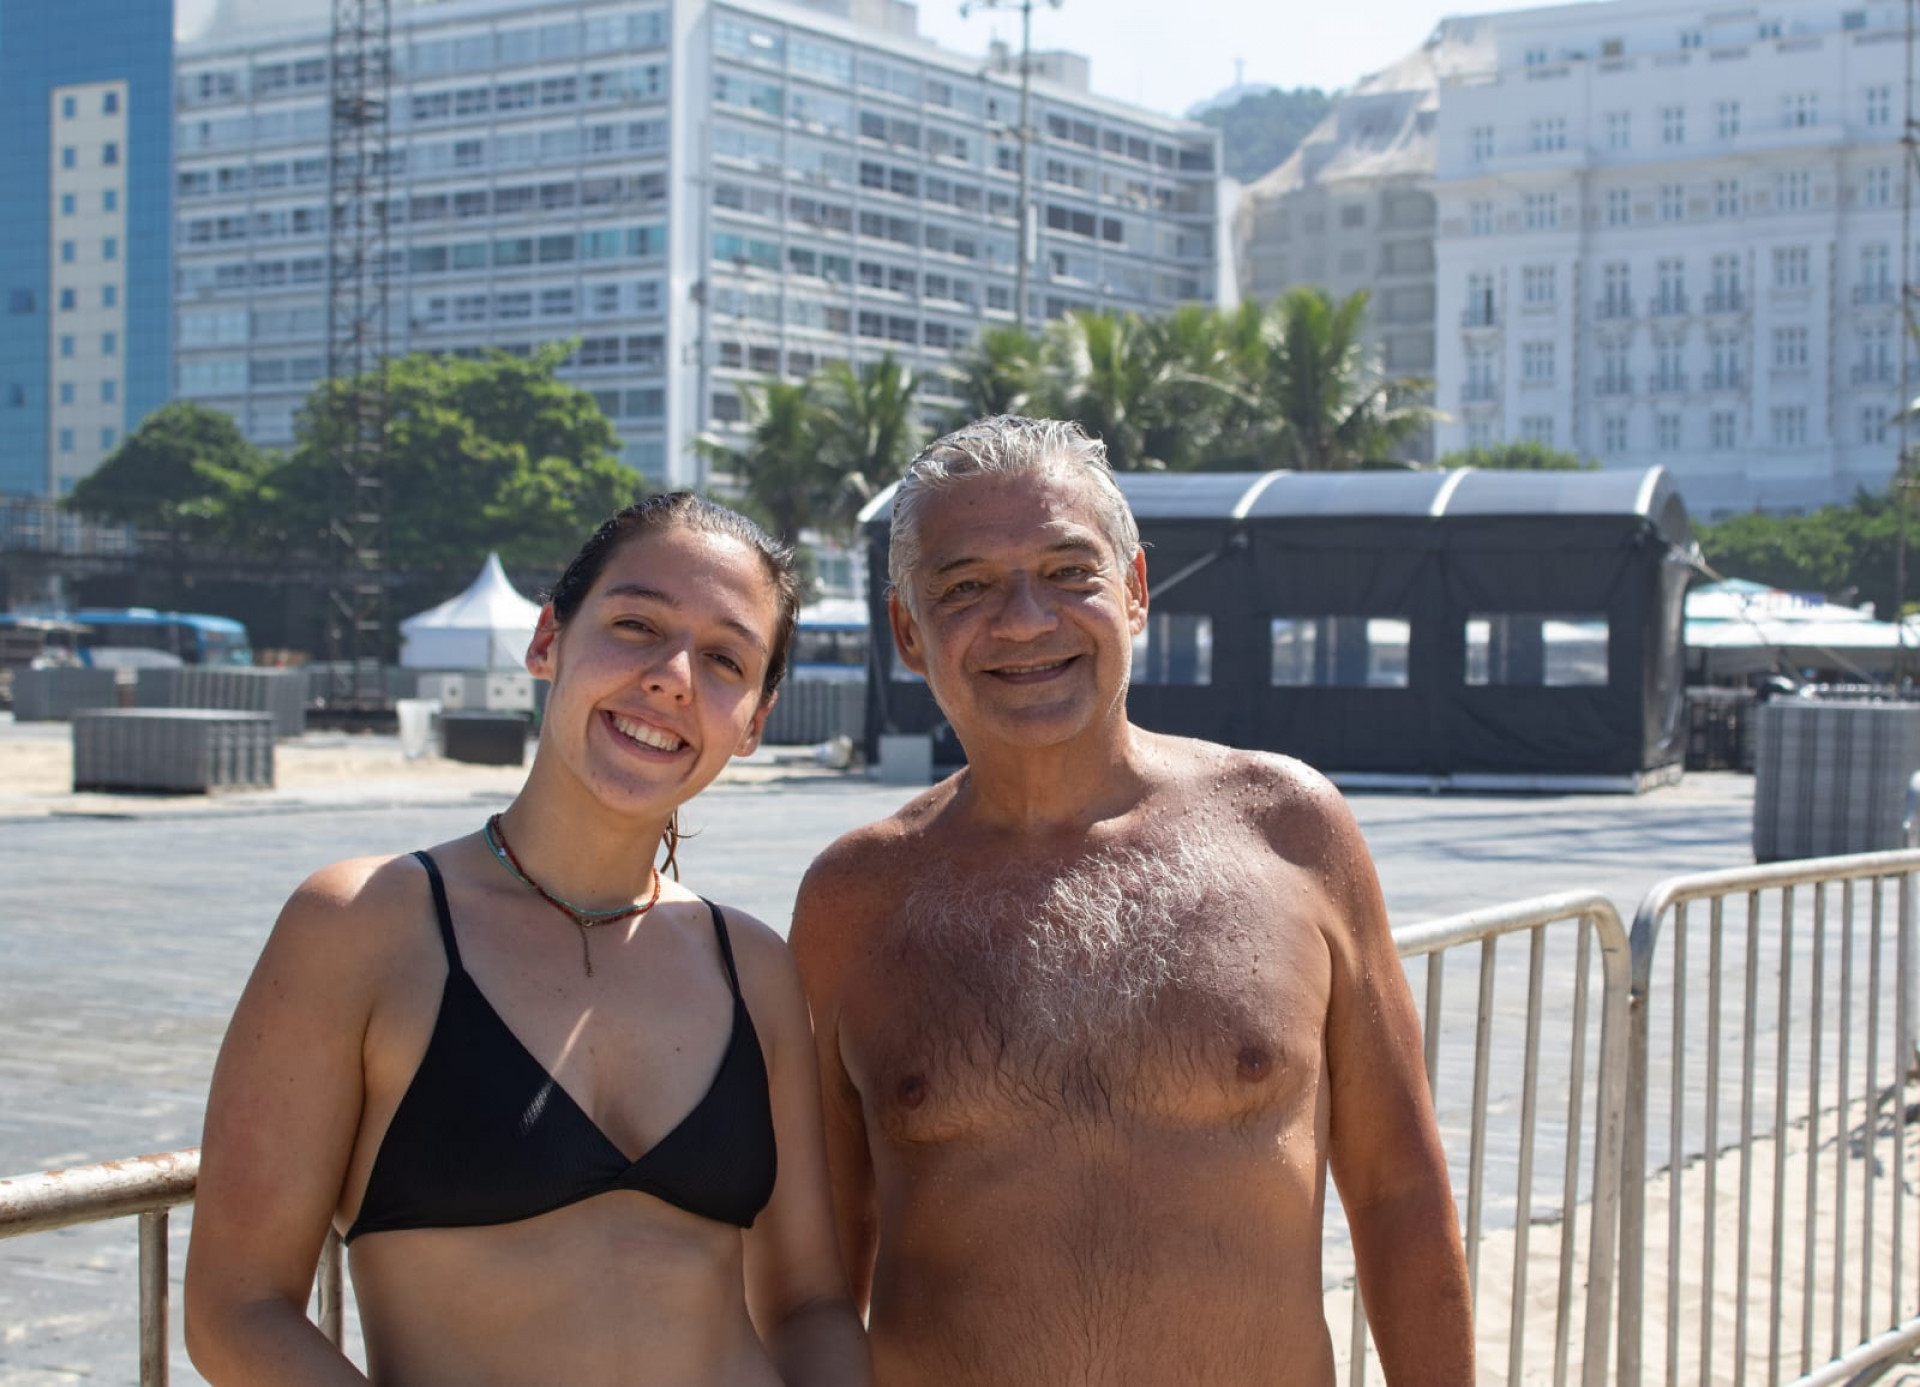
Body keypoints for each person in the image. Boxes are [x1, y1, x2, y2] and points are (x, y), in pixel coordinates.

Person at [789, 416, 1474, 1386]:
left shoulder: (1291, 830)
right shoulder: (853, 902)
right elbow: (813, 1275)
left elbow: (1401, 1195)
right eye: (966, 586)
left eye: (1070, 571)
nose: (1025, 619)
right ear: (909, 631)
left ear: (1137, 590)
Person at [185, 495, 869, 1386]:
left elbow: (809, 1302)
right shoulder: (362, 926)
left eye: (724, 658)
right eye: (635, 624)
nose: (672, 677)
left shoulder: (751, 966)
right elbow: (237, 1307)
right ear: (547, 639)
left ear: (756, 719)